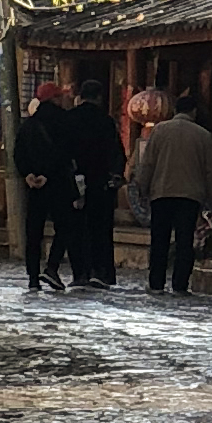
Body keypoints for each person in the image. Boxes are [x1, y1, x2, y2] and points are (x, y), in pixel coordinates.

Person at [127, 88, 212, 295]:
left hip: (161, 192)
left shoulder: (160, 131)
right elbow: (210, 171)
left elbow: (148, 163)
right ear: (194, 112)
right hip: (190, 195)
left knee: (159, 239)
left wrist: (142, 187)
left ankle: (156, 282)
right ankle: (180, 284)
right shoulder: (203, 136)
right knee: (184, 241)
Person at [13, 73, 77, 292]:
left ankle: (32, 277)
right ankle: (51, 267)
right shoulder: (66, 121)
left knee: (34, 231)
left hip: (34, 186)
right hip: (58, 183)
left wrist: (28, 174)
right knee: (65, 226)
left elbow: (18, 153)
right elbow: (66, 152)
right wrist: (49, 174)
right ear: (55, 99)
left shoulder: (28, 125)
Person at [65, 74, 125, 288]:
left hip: (74, 181)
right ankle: (101, 271)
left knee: (76, 227)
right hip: (100, 181)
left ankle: (79, 272)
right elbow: (116, 152)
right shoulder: (105, 121)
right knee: (100, 228)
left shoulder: (69, 119)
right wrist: (116, 175)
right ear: (99, 97)